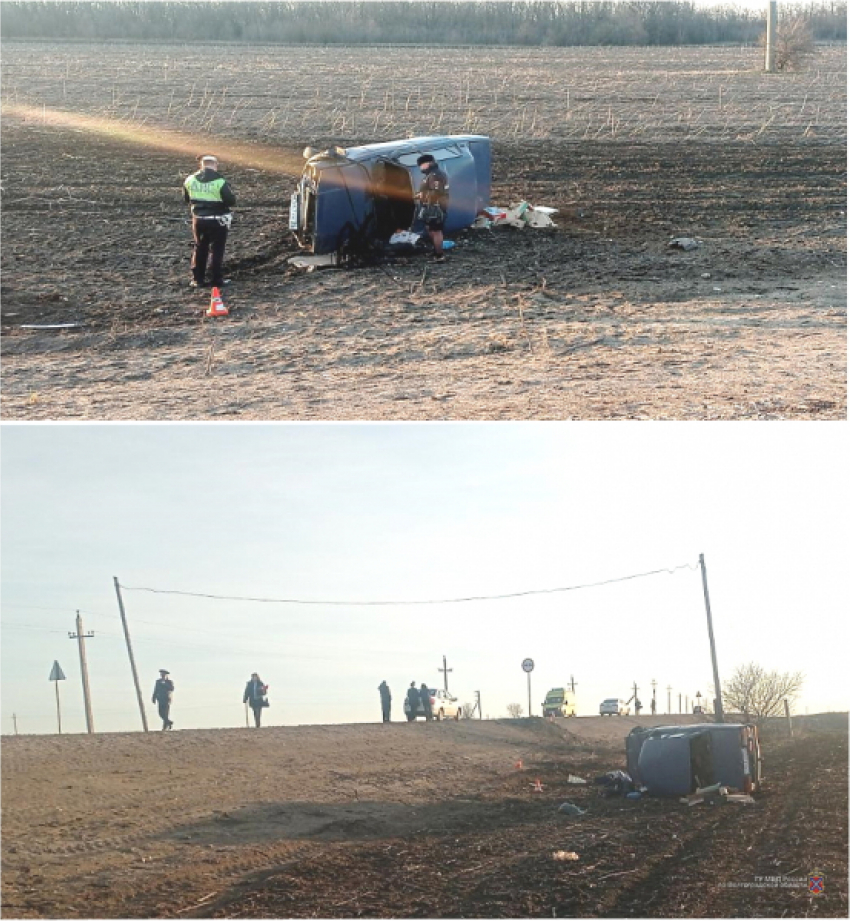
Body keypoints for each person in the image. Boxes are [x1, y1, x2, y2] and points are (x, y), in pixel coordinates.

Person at [182, 154, 236, 289]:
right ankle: (216, 280)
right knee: (217, 250)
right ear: (215, 165)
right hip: (217, 220)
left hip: (199, 220)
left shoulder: (190, 180)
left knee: (200, 248)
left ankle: (197, 280)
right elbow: (231, 201)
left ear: (201, 165)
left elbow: (187, 199)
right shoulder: (220, 181)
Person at [415, 154, 449, 262]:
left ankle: (439, 255)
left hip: (436, 206)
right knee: (430, 229)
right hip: (430, 206)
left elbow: (437, 192)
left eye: (421, 165)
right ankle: (435, 251)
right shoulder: (431, 175)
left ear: (428, 163)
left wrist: (422, 195)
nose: (420, 168)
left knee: (436, 230)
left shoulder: (435, 175)